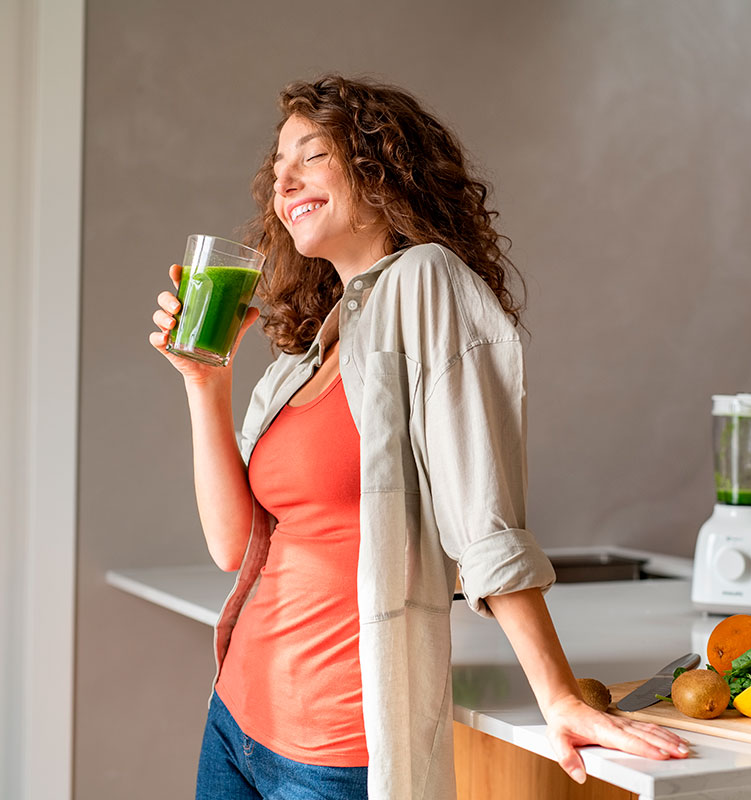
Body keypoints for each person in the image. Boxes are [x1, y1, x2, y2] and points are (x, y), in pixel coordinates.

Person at [149, 74, 689, 800]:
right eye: (278, 167)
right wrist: (203, 381)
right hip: (235, 722)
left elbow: (484, 518)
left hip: (335, 753)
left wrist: (558, 695)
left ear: (379, 168)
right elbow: (232, 546)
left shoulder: (428, 284)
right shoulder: (309, 352)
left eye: (309, 154)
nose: (285, 178)